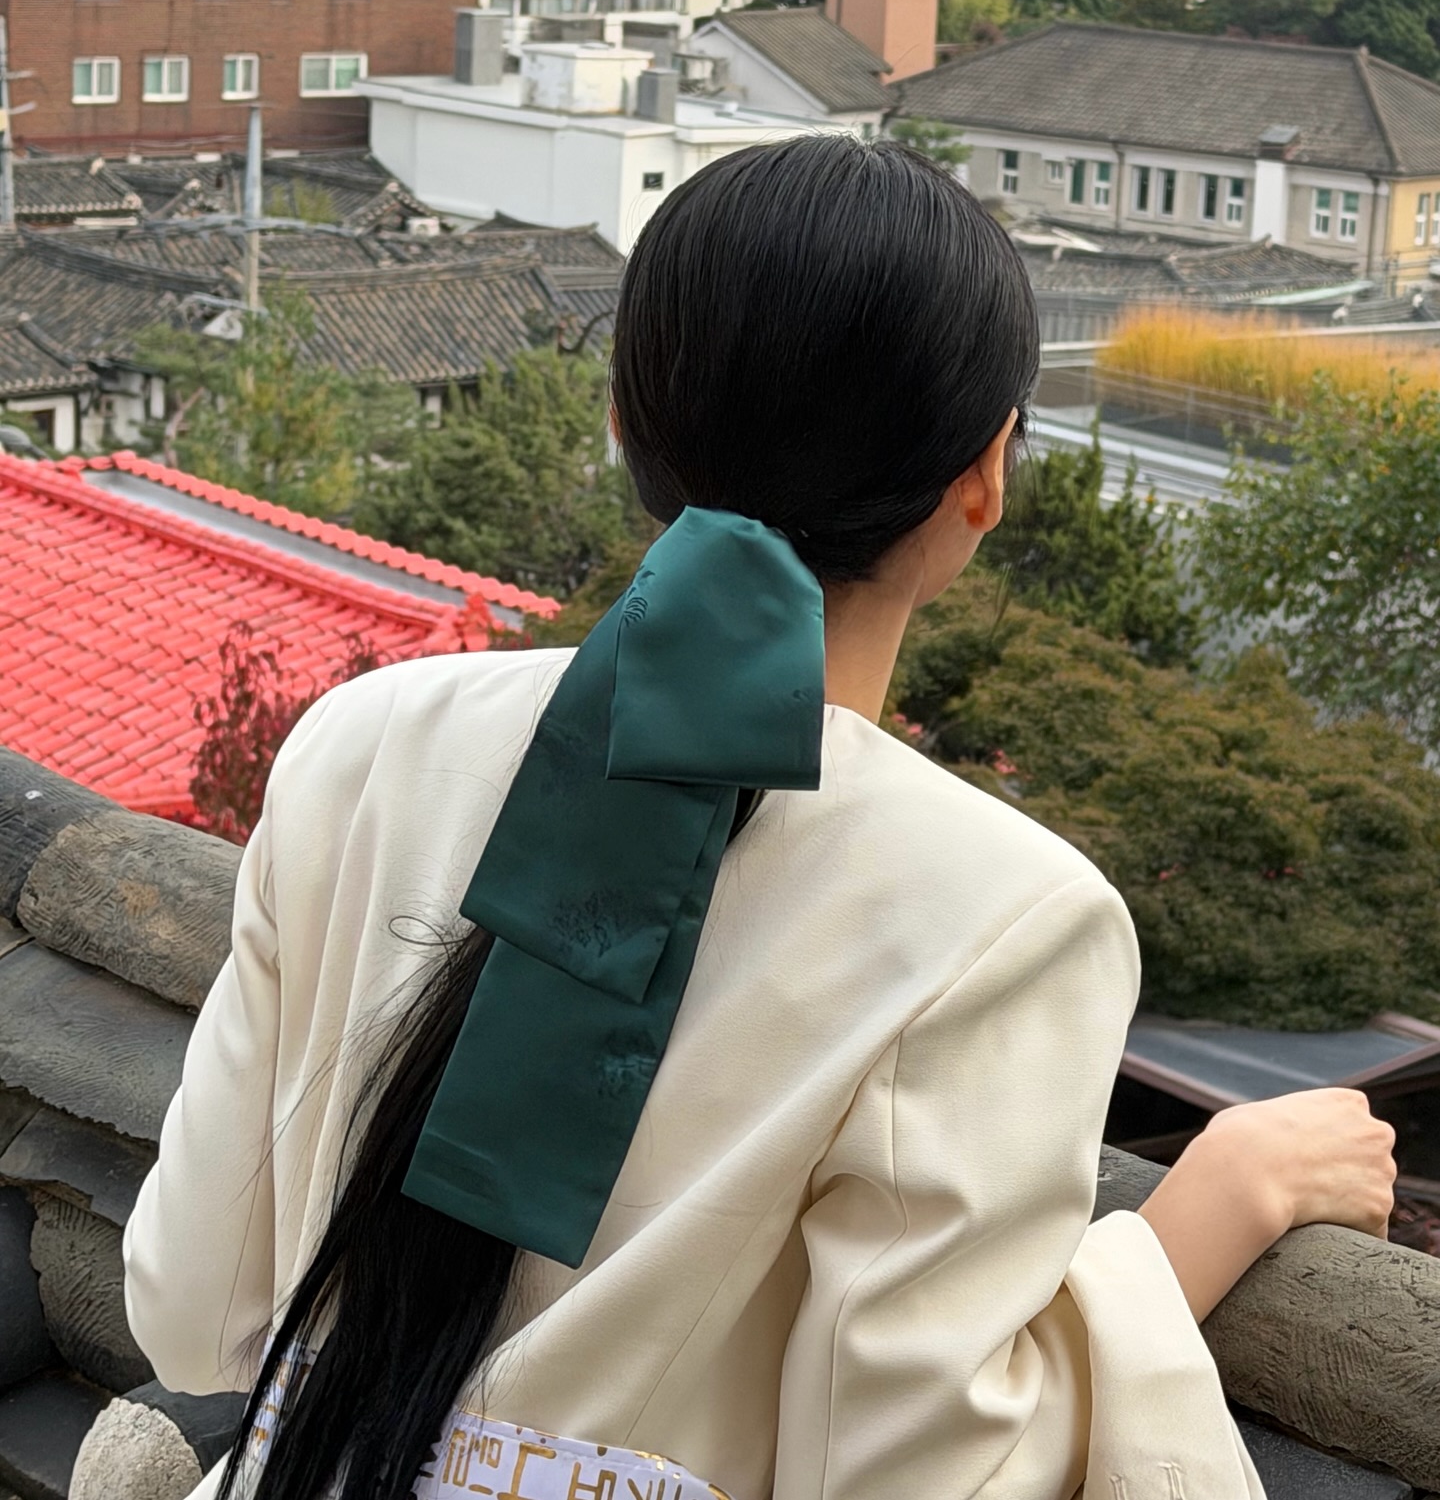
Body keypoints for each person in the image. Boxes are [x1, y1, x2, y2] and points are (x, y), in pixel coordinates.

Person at [124, 135, 1396, 1500]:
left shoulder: (362, 743)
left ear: (625, 425)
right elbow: (914, 1479)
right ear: (985, 474)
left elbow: (191, 1307)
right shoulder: (1006, 916)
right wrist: (1196, 1225)